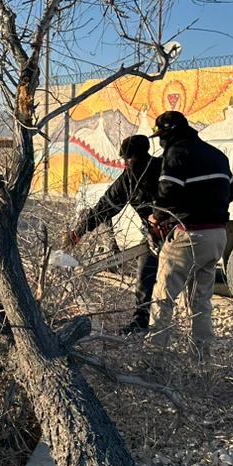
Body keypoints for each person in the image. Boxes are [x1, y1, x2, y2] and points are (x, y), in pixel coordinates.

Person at [145, 110, 233, 353]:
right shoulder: (217, 155)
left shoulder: (177, 153)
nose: (161, 142)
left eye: (161, 136)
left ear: (169, 134)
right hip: (217, 235)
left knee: (163, 296)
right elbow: (231, 192)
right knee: (201, 301)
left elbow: (167, 192)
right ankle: (201, 356)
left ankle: (154, 356)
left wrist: (157, 217)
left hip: (189, 234)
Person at [63, 135, 161, 334]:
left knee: (163, 284)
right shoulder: (137, 175)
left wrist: (79, 231)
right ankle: (141, 324)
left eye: (127, 159)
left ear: (136, 156)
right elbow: (107, 206)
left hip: (178, 233)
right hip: (157, 235)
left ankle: (158, 333)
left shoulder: (145, 173)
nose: (125, 163)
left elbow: (106, 206)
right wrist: (80, 231)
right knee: (146, 276)